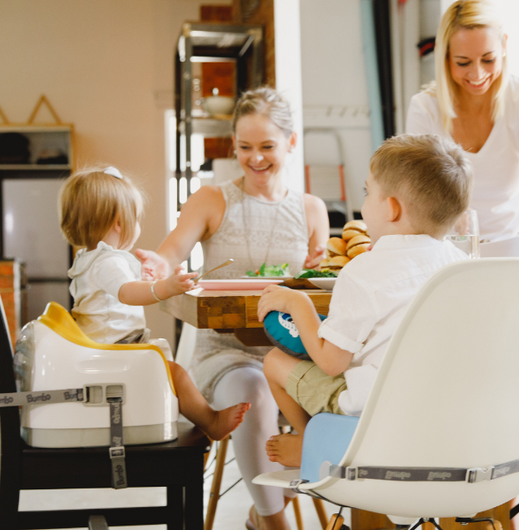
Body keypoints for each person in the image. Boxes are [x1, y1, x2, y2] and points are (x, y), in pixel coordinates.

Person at [136, 87, 330, 530]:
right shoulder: (212, 199)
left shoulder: (312, 210)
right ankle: (274, 521)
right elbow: (172, 252)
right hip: (225, 356)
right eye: (245, 148)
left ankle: (273, 510)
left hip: (293, 358)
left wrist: (320, 266)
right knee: (253, 391)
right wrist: (157, 264)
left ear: (291, 143)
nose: (255, 158)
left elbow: (320, 283)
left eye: (267, 147)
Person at [257, 134, 473, 468]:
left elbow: (332, 363)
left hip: (375, 411)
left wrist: (299, 305)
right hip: (447, 413)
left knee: (273, 361)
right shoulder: (462, 266)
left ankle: (314, 444)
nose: (364, 202)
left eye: (367, 192)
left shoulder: (363, 271)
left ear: (391, 208)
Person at [58, 166, 250, 442]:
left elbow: (119, 290)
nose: (138, 226)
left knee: (167, 368)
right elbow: (126, 293)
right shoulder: (107, 261)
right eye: (135, 219)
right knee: (176, 374)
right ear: (118, 222)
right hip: (114, 349)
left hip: (105, 346)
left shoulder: (89, 259)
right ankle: (212, 421)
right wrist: (165, 287)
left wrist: (151, 278)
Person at [406, 0, 517, 243]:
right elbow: (416, 195)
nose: (477, 74)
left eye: (488, 59)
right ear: (445, 57)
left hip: (510, 245)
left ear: (504, 46)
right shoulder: (424, 109)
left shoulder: (516, 101)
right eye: (463, 62)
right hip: (446, 249)